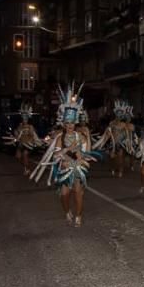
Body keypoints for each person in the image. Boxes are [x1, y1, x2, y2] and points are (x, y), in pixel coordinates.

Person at [31, 84, 95, 227]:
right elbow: (56, 156)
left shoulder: (81, 136)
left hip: (78, 168)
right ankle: (67, 211)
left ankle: (78, 216)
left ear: (75, 122)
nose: (70, 125)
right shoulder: (60, 137)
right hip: (64, 169)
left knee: (78, 192)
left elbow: (87, 153)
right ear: (64, 123)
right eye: (67, 123)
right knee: (64, 194)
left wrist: (83, 153)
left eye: (72, 122)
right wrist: (68, 151)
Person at [93, 100, 136, 178]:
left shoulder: (124, 124)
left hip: (120, 143)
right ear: (115, 115)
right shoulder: (111, 123)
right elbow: (108, 132)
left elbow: (127, 134)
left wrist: (128, 143)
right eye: (117, 115)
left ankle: (120, 171)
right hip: (112, 143)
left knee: (120, 157)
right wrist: (105, 138)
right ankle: (113, 168)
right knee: (112, 157)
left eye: (120, 116)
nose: (118, 117)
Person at [6, 105, 43, 175]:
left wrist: (29, 131)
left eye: (26, 118)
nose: (24, 119)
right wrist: (17, 133)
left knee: (25, 155)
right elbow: (16, 134)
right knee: (18, 157)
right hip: (21, 144)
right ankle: (27, 167)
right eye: (23, 118)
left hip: (28, 144)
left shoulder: (30, 126)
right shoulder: (19, 126)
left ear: (28, 119)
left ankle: (27, 169)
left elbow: (33, 135)